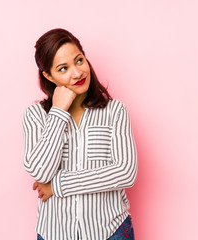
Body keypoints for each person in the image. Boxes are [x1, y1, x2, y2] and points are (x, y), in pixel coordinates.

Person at [22, 28, 138, 240]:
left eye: (79, 60)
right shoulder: (35, 115)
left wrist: (57, 186)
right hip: (54, 233)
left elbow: (125, 172)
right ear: (48, 75)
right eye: (63, 68)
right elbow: (40, 172)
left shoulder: (115, 111)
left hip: (111, 232)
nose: (77, 73)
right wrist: (58, 112)